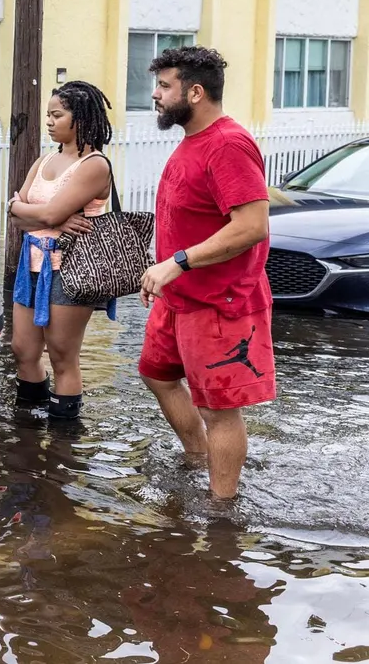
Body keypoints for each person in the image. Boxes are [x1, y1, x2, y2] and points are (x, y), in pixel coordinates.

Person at [138, 46, 273, 500]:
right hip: (179, 297)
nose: (155, 95)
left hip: (222, 302)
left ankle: (223, 509)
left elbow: (252, 227)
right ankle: (198, 456)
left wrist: (177, 264)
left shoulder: (227, 143)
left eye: (164, 85)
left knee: (220, 410)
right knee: (156, 374)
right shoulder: (192, 141)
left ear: (195, 92)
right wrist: (162, 273)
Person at [6, 81, 115, 420]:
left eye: (57, 115)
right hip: (32, 265)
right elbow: (14, 212)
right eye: (48, 115)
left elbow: (41, 211)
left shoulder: (94, 165)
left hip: (70, 269)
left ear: (79, 119)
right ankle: (27, 426)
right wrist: (44, 218)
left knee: (62, 354)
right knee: (23, 350)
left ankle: (62, 437)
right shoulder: (44, 160)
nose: (50, 122)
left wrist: (36, 214)